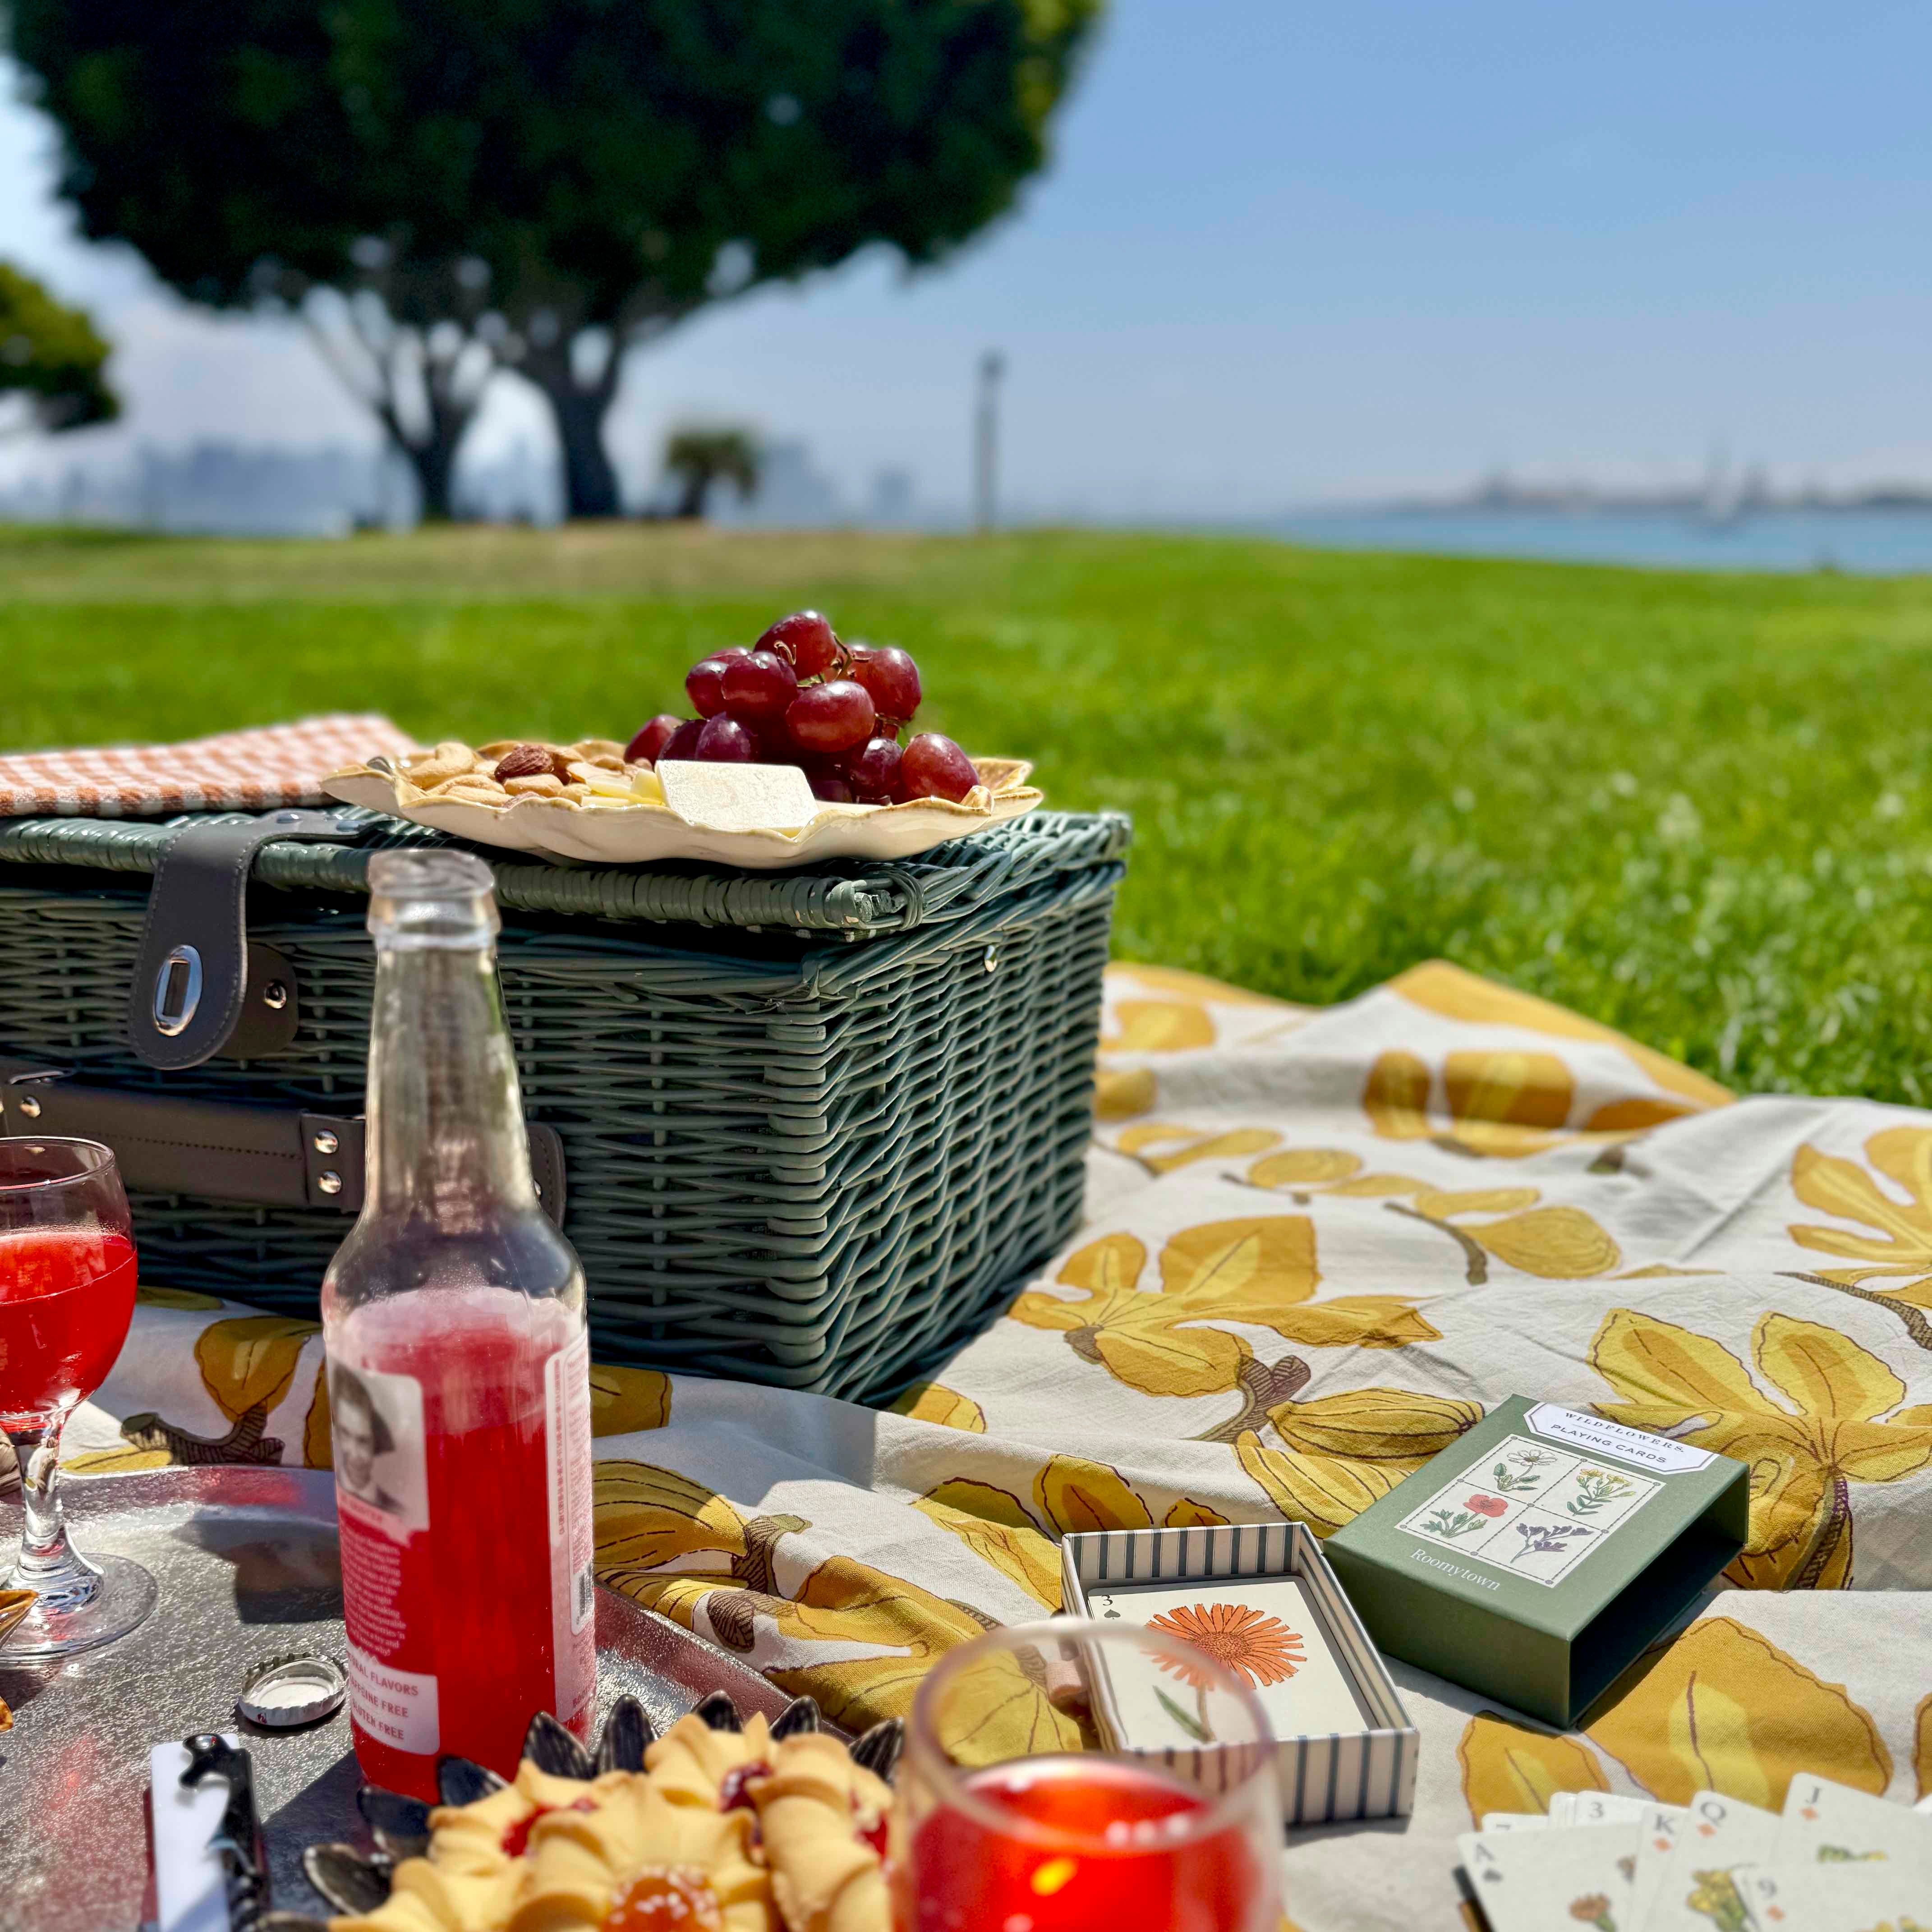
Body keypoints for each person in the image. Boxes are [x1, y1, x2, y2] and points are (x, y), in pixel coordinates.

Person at [329, 1366, 403, 1515]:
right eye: (345, 1434)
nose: (354, 1454)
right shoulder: (326, 1497)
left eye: (363, 1441)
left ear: (376, 1441)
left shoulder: (397, 1512)